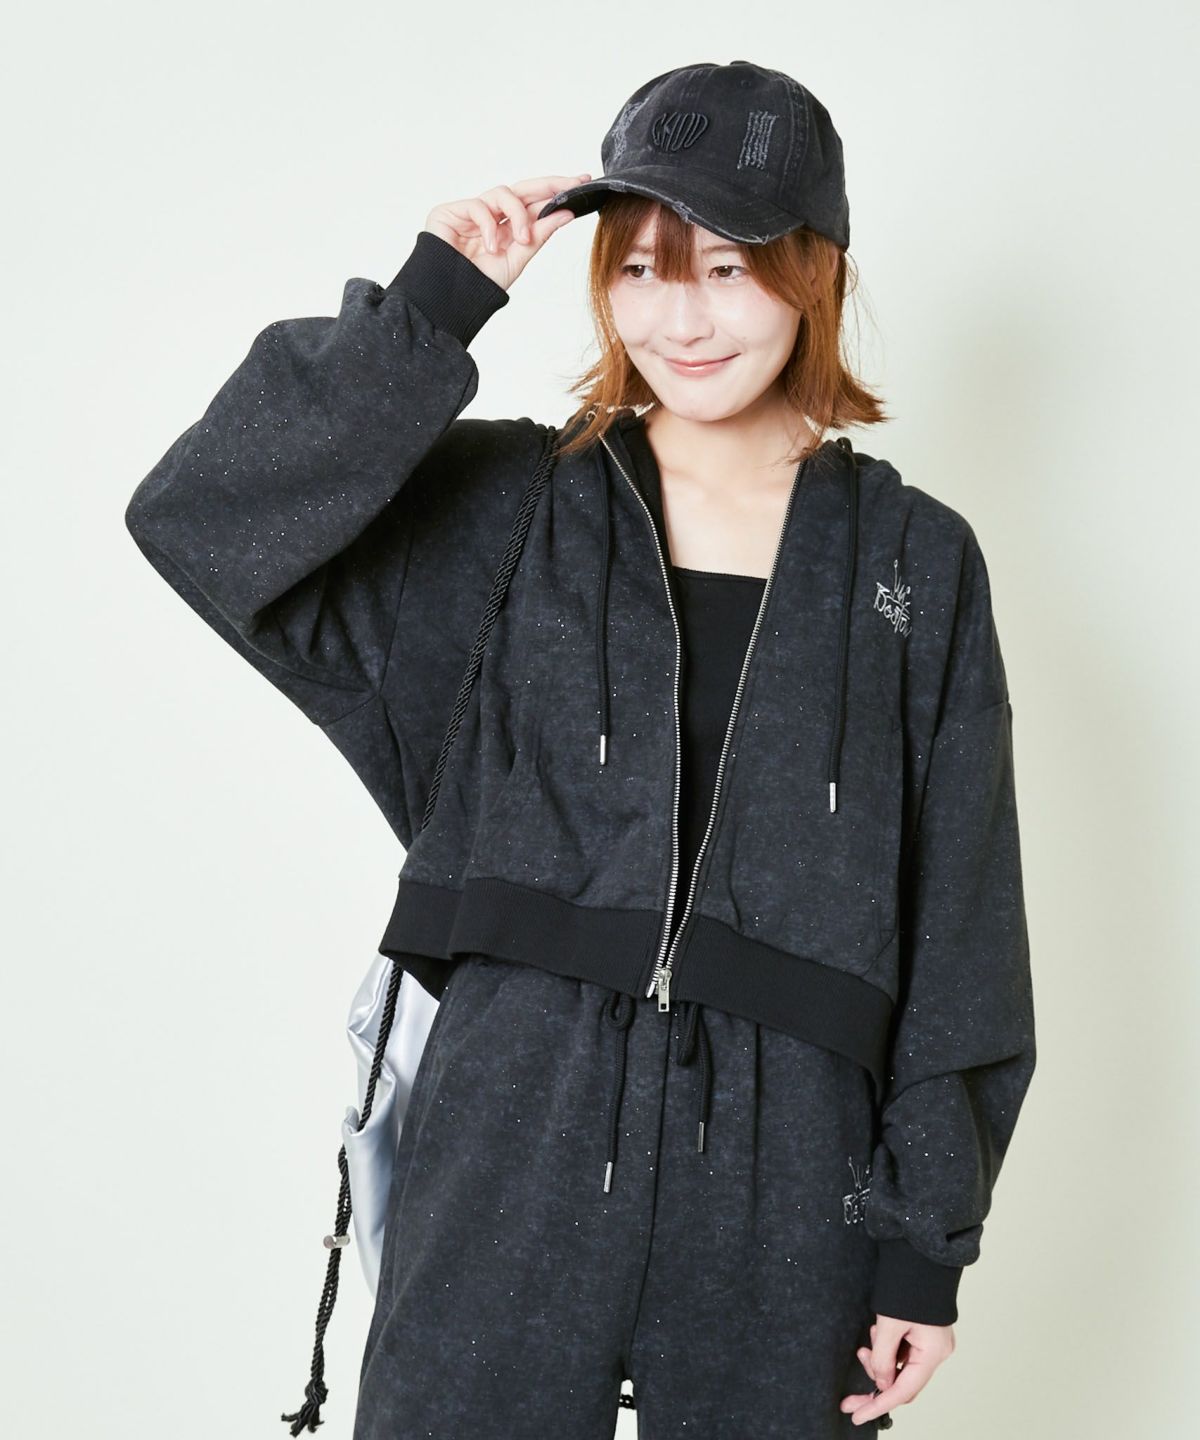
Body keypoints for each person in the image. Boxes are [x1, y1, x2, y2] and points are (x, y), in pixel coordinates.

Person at [124, 60, 1037, 1439]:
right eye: (644, 268)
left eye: (728, 269)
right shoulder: (507, 507)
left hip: (796, 1168)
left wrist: (926, 1246)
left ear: (814, 274)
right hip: (511, 1123)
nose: (682, 317)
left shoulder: (914, 560)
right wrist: (431, 306)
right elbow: (203, 520)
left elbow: (962, 916)